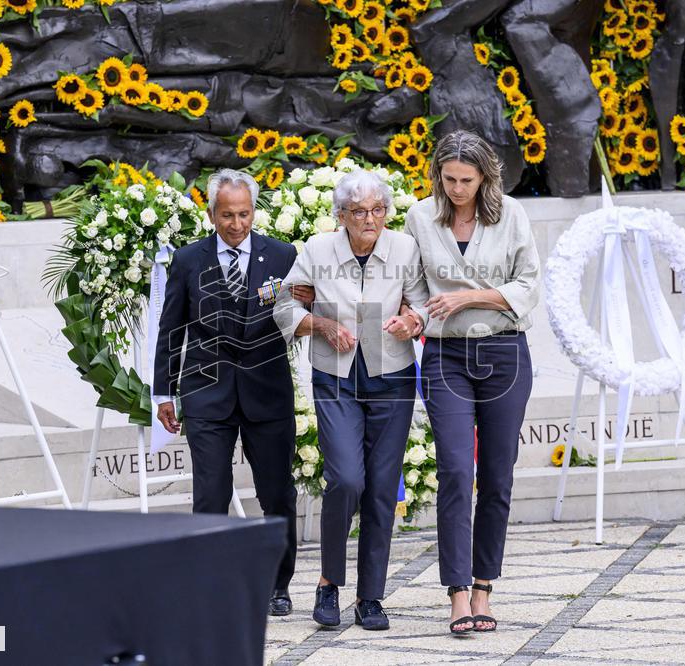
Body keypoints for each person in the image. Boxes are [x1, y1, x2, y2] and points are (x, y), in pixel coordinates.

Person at [273, 170, 429, 631]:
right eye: (358, 211)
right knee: (345, 479)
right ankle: (328, 582)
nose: (369, 220)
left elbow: (419, 302)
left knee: (382, 488)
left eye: (377, 210)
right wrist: (320, 326)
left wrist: (411, 321)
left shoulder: (403, 248)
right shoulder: (318, 251)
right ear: (340, 215)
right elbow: (286, 305)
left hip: (392, 379)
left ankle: (370, 597)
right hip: (336, 380)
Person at [402, 129, 540, 634]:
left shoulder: (512, 215)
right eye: (449, 178)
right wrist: (412, 320)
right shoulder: (420, 216)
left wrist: (468, 297)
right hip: (445, 357)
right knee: (457, 471)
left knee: (498, 475)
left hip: (505, 353)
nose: (456, 188)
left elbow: (528, 285)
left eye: (466, 180)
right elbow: (416, 291)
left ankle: (484, 587)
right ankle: (457, 593)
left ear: (485, 177)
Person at [153, 168, 299, 617]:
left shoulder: (283, 255)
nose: (237, 225)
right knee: (210, 492)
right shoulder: (187, 259)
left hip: (267, 393)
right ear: (212, 213)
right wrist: (164, 393)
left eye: (245, 214)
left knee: (277, 493)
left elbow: (297, 314)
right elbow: (170, 328)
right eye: (227, 215)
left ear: (254, 211)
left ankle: (278, 585)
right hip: (206, 393)